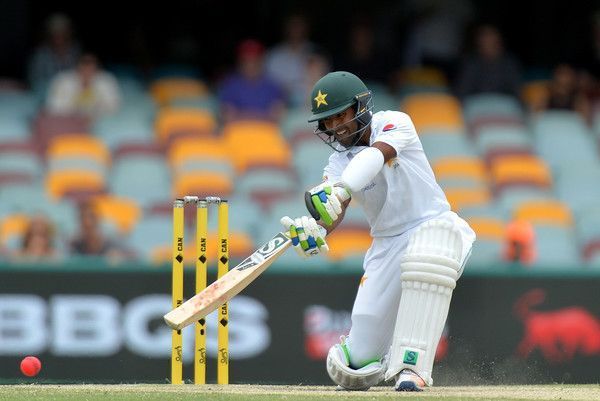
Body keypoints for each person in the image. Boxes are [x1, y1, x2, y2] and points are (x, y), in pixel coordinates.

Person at [280, 71, 475, 391]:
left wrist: (341, 190)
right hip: (385, 243)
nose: (334, 127)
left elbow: (376, 156)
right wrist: (316, 228)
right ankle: (367, 356)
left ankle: (413, 369)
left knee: (426, 259)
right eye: (327, 121)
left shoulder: (393, 123)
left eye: (339, 115)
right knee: (355, 364)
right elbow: (333, 210)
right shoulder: (337, 163)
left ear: (360, 106)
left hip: (434, 225)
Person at [218, 39, 285, 122]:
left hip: (266, 132)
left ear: (261, 61)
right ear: (240, 62)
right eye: (246, 61)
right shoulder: (230, 85)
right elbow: (227, 116)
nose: (251, 65)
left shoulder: (273, 86)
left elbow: (277, 116)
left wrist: (242, 115)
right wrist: (262, 115)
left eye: (254, 61)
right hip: (237, 132)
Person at [454, 24, 521, 99]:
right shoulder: (471, 63)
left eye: (490, 36)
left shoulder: (509, 63)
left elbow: (517, 92)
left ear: (499, 40)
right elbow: (461, 91)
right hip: (475, 106)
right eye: (484, 37)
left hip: (504, 106)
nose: (487, 40)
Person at [45, 53, 121, 118]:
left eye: (91, 70)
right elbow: (53, 106)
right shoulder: (62, 81)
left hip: (99, 121)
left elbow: (114, 106)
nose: (87, 74)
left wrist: (94, 113)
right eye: (83, 70)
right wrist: (77, 112)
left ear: (98, 70)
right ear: (77, 69)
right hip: (68, 120)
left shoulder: (106, 81)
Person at [28, 13, 81, 97]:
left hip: (73, 96)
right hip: (47, 96)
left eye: (62, 32)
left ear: (69, 33)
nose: (59, 37)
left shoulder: (77, 52)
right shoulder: (41, 55)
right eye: (55, 33)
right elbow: (35, 83)